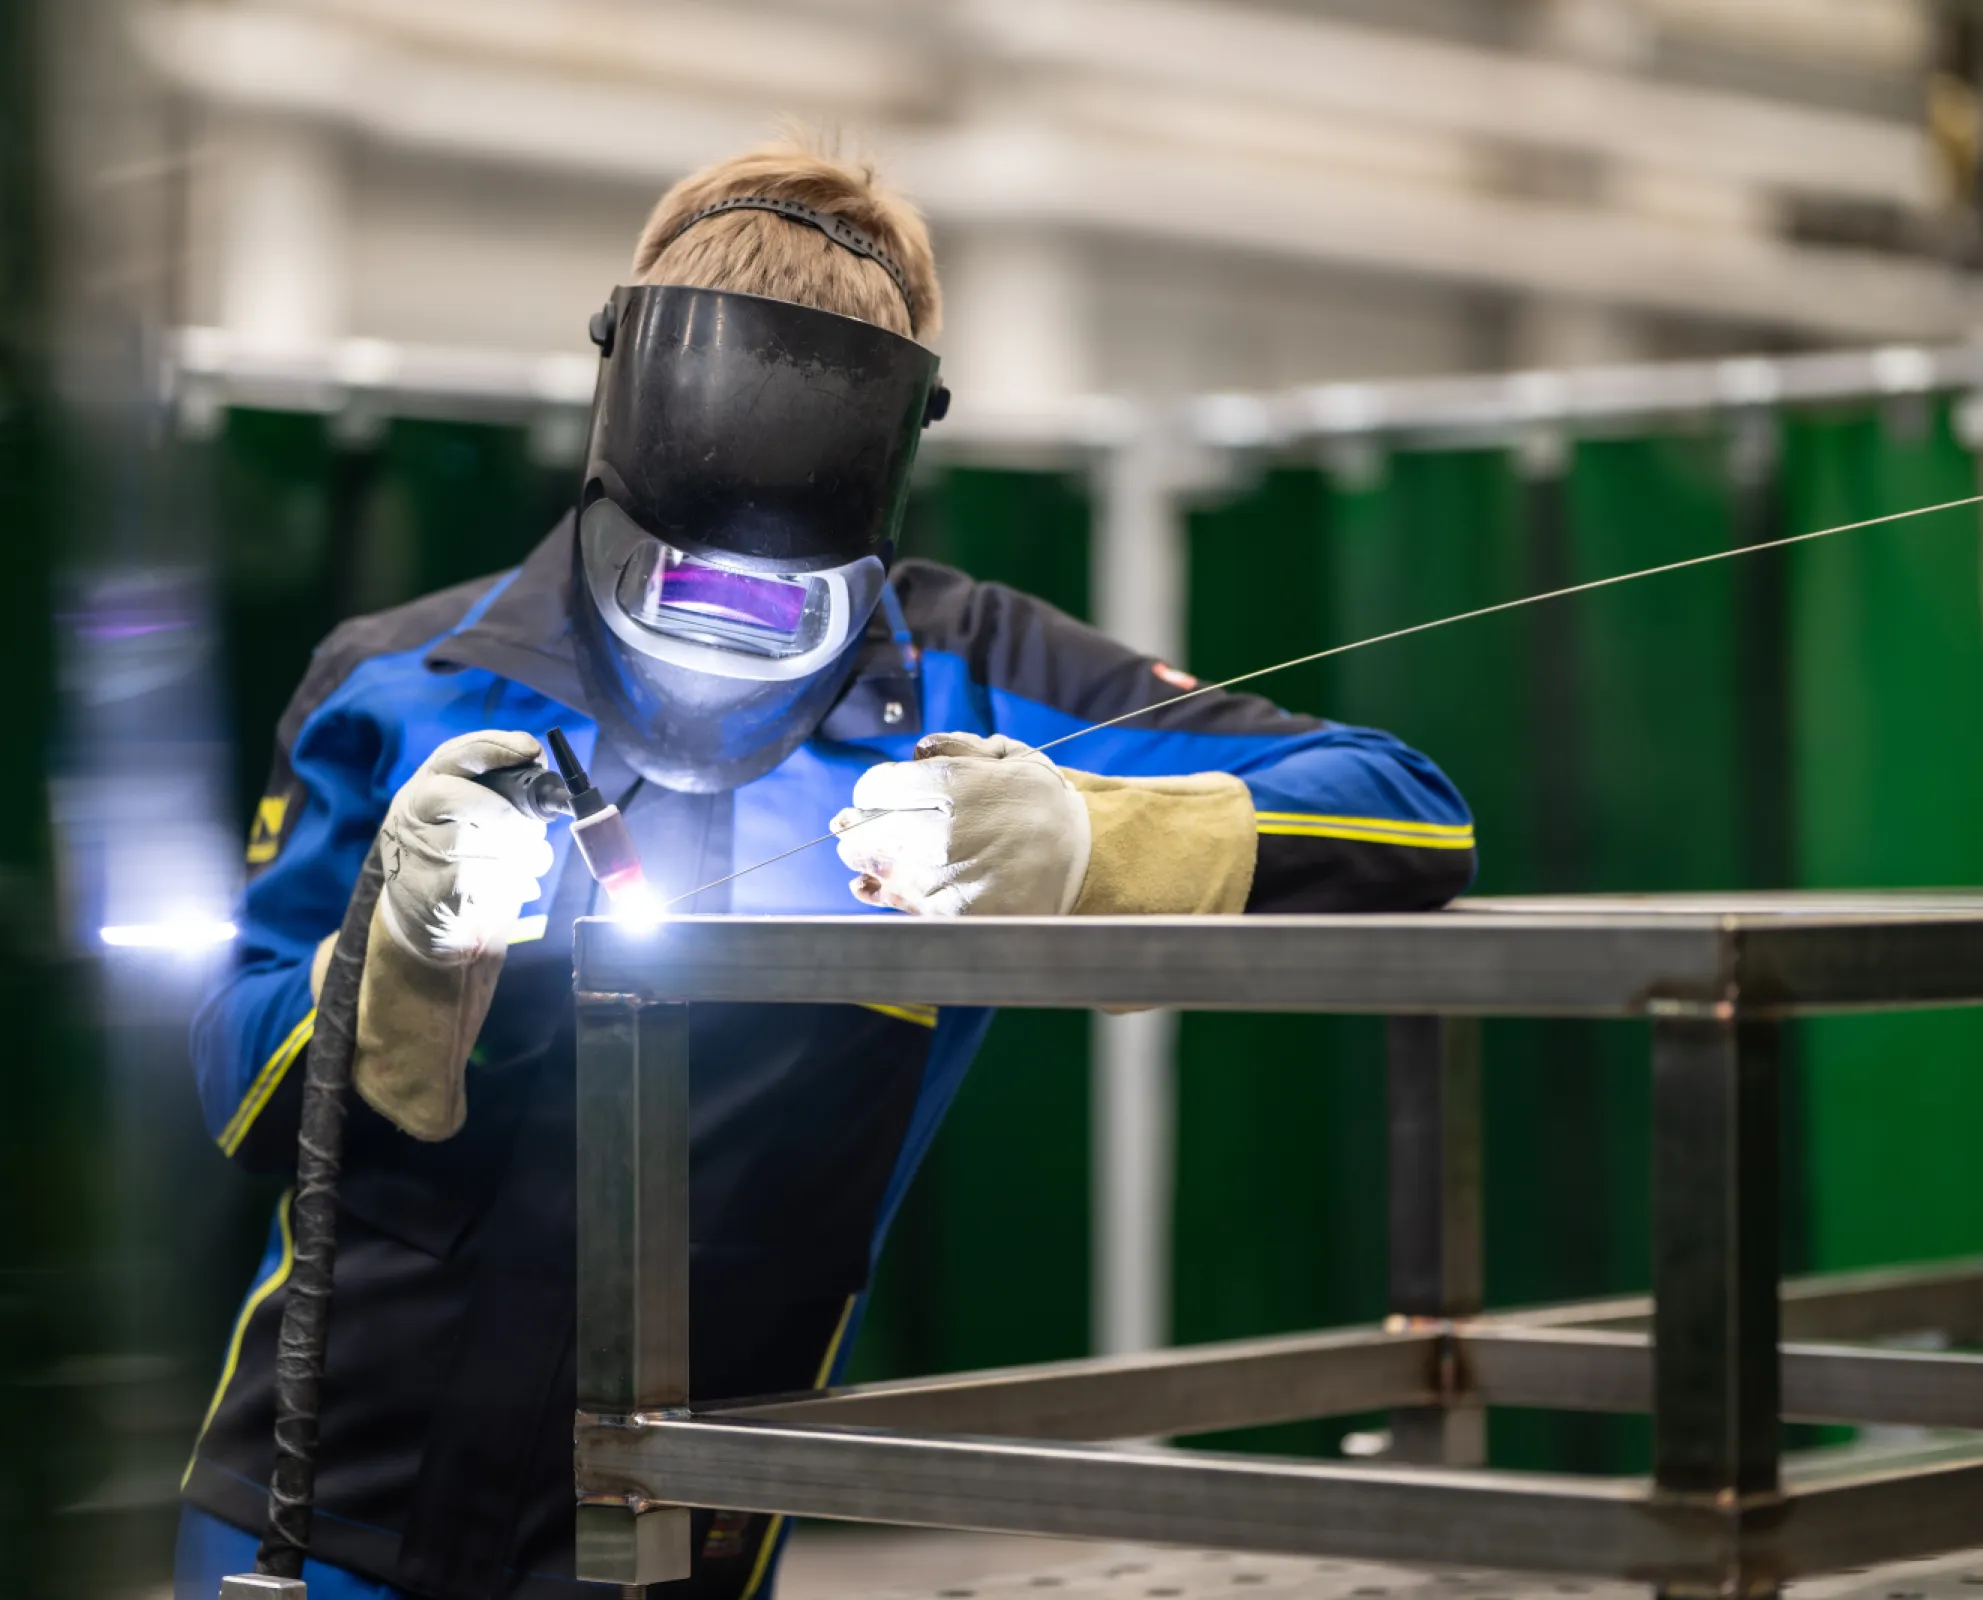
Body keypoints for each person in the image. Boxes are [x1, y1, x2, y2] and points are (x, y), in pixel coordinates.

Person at [176, 140, 1476, 1600]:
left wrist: (1091, 839)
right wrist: (383, 971)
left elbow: (1410, 811)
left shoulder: (982, 677)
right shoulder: (401, 682)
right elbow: (233, 1071)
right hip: (305, 1503)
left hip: (679, 1537)